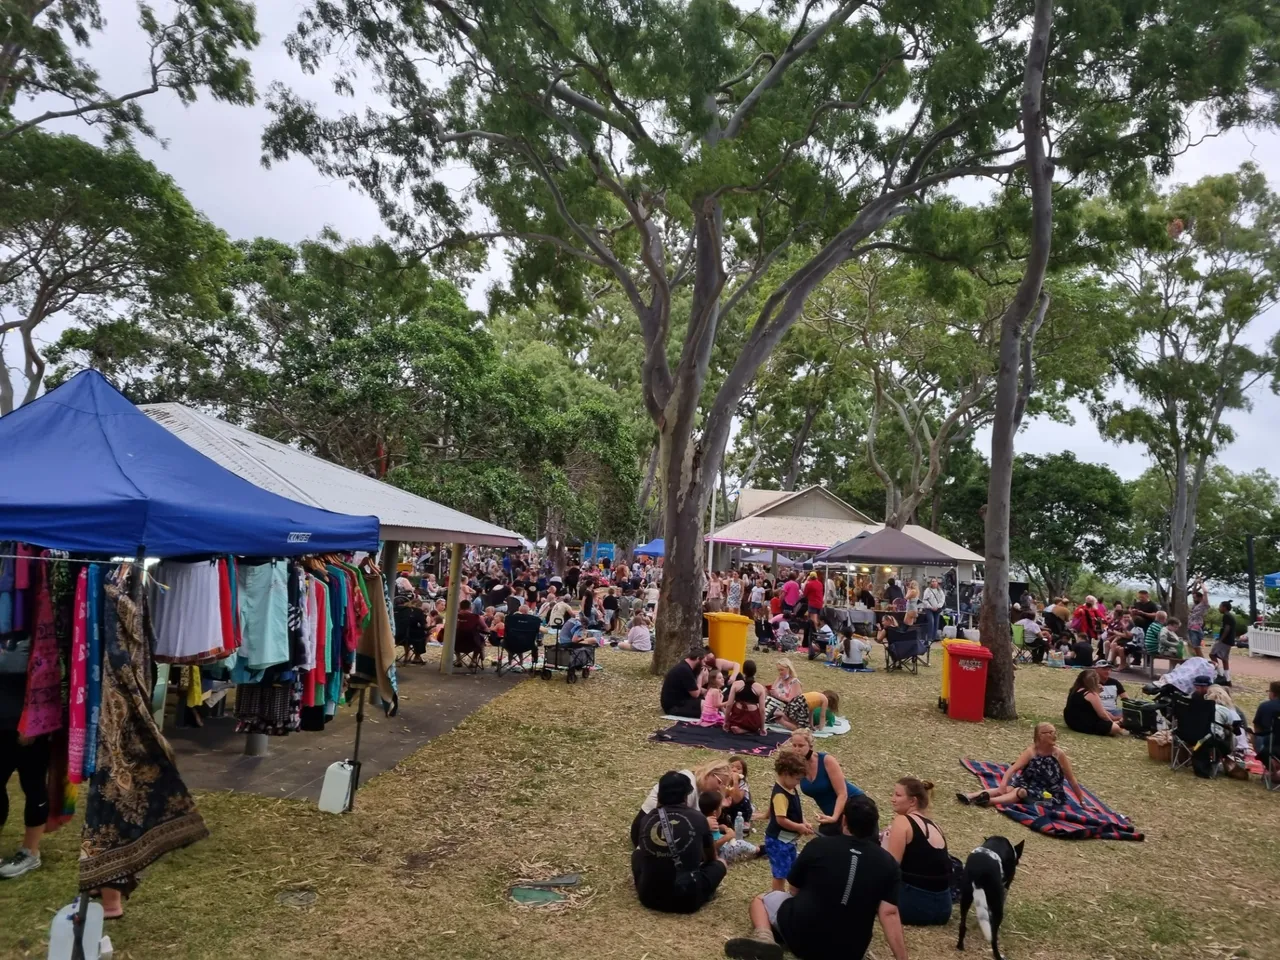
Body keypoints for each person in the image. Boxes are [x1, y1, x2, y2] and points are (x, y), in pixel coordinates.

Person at [723, 794, 908, 960]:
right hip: (851, 950)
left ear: (844, 821)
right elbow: (889, 913)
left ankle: (764, 938)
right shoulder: (889, 863)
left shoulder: (819, 846)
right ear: (875, 826)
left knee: (761, 900)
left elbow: (794, 889)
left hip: (803, 939)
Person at [632, 771, 727, 914]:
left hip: (649, 897)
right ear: (686, 795)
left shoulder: (647, 820)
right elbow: (711, 857)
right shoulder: (698, 818)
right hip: (687, 900)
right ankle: (704, 890)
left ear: (659, 794)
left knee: (637, 854)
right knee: (721, 863)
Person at [882, 777, 952, 925]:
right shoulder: (935, 825)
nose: (892, 799)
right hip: (944, 909)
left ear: (912, 801)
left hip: (913, 907)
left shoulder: (902, 821)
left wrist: (884, 844)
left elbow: (889, 870)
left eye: (898, 795)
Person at [958, 722, 1081, 807]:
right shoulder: (1031, 751)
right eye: (1049, 732)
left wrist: (1082, 802)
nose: (1054, 735)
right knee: (1010, 788)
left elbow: (1071, 779)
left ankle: (988, 801)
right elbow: (1013, 769)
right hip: (1028, 783)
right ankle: (970, 796)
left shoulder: (1059, 754)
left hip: (1048, 793)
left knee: (1020, 792)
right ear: (1040, 736)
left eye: (1054, 732)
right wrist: (1003, 785)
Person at [632, 760, 736, 847]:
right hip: (647, 831)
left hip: (659, 829)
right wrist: (704, 825)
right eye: (719, 782)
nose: (719, 788)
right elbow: (680, 822)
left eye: (724, 786)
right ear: (709, 774)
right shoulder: (687, 785)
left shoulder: (698, 788)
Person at [787, 729, 864, 837]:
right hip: (833, 814)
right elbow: (786, 792)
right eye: (794, 745)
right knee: (826, 836)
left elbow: (843, 793)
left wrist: (835, 817)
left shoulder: (826, 760)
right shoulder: (796, 767)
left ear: (810, 745)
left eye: (801, 746)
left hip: (854, 802)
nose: (796, 749)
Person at [763, 749, 813, 891]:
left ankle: (792, 894)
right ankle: (777, 897)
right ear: (785, 774)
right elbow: (781, 820)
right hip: (778, 841)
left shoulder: (790, 788)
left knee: (792, 869)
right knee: (780, 874)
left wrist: (803, 822)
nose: (798, 783)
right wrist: (799, 827)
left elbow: (796, 810)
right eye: (797, 779)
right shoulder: (780, 795)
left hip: (789, 840)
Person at [701, 789, 758, 864]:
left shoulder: (705, 820)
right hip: (719, 853)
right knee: (741, 844)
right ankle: (757, 850)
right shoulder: (712, 824)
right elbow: (712, 846)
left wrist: (721, 827)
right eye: (720, 807)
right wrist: (728, 836)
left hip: (721, 847)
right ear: (715, 812)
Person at [1063, 669, 1123, 737]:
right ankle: (1119, 722)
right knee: (1115, 728)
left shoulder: (1074, 690)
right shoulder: (1091, 694)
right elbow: (1102, 714)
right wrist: (1111, 723)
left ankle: (1116, 720)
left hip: (1071, 721)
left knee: (1112, 716)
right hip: (1085, 723)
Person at [724, 660, 768, 735]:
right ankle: (748, 730)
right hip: (752, 720)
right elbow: (762, 710)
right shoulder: (760, 688)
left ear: (743, 671)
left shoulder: (736, 685)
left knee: (737, 708)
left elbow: (729, 705)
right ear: (755, 672)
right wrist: (762, 728)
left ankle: (738, 728)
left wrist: (726, 722)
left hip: (737, 718)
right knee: (754, 726)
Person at [661, 651, 706, 718]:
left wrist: (707, 691)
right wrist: (700, 677)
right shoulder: (685, 670)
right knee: (705, 705)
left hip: (680, 700)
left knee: (707, 700)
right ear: (698, 659)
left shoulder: (685, 666)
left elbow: (692, 688)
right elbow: (695, 694)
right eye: (703, 661)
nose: (704, 664)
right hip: (674, 707)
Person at [764, 659, 807, 729]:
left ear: (788, 669)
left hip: (788, 707)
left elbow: (792, 701)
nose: (780, 672)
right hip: (775, 703)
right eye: (778, 670)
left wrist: (778, 695)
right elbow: (773, 690)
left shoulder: (794, 682)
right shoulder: (779, 678)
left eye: (782, 670)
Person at [1251, 680, 1280, 769]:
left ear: (1273, 693)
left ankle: (1272, 767)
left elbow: (1257, 728)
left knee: (1253, 734)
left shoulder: (1265, 706)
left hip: (1270, 746)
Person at [1211, 601, 1237, 685]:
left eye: (1220, 606)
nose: (1219, 608)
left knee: (1212, 654)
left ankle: (1220, 675)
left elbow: (1227, 628)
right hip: (1229, 640)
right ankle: (1227, 679)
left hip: (1225, 640)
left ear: (1224, 607)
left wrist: (1221, 639)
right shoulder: (1230, 616)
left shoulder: (1227, 616)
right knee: (1225, 659)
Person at [1187, 589, 1209, 658]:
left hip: (1195, 628)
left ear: (1200, 597)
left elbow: (1205, 592)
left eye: (1195, 597)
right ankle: (1199, 662)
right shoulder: (1196, 605)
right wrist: (1196, 582)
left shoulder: (1203, 604)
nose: (1193, 599)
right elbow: (1193, 592)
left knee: (1196, 647)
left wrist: (1201, 582)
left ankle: (1204, 662)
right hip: (1191, 627)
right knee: (1194, 648)